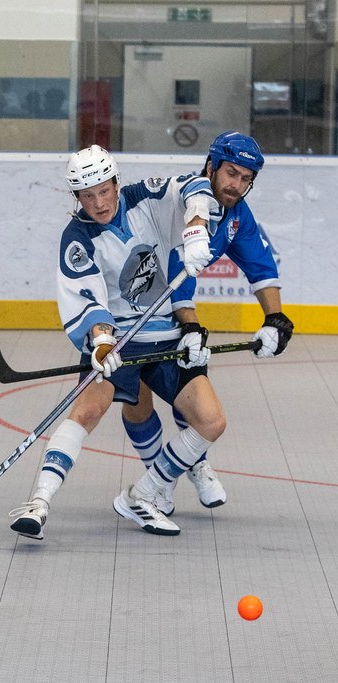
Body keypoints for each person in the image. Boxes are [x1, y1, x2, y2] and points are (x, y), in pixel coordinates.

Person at [8, 140, 280, 539]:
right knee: (88, 410)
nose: (99, 203)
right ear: (76, 197)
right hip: (118, 339)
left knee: (211, 420)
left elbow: (191, 187)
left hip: (166, 333)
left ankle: (146, 492)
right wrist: (100, 342)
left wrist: (195, 228)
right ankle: (39, 502)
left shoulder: (143, 197)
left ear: (117, 183)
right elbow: (85, 296)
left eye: (104, 190)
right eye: (87, 195)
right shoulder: (77, 238)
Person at [113, 131, 293, 526]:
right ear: (210, 165)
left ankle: (174, 474)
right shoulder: (185, 202)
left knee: (194, 393)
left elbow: (261, 266)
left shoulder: (237, 215)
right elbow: (178, 271)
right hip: (131, 310)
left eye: (247, 178)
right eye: (231, 173)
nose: (237, 185)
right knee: (138, 400)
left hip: (173, 313)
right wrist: (191, 325)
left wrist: (275, 318)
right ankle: (160, 482)